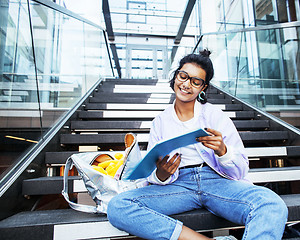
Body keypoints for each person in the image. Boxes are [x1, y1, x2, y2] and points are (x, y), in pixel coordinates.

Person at [107, 50, 288, 240]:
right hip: (178, 186)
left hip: (216, 182)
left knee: (271, 204)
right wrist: (162, 173)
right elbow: (153, 171)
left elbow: (241, 170)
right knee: (118, 206)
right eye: (183, 76)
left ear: (203, 88)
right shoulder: (160, 121)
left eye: (196, 81)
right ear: (176, 76)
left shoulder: (215, 116)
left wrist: (223, 151)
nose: (186, 84)